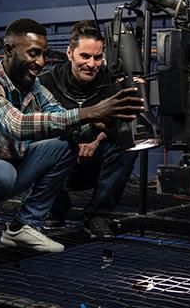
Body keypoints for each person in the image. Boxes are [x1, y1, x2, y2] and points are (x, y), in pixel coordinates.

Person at [0, 18, 144, 263]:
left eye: (43, 54)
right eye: (33, 53)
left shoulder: (34, 89)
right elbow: (17, 125)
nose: (41, 62)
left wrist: (96, 126)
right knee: (0, 172)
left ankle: (22, 226)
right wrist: (91, 112)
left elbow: (62, 120)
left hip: (6, 171)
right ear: (9, 50)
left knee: (62, 146)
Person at [39, 20, 138, 239]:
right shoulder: (47, 83)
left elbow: (121, 123)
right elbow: (37, 126)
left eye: (97, 57)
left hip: (94, 158)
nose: (92, 64)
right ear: (69, 53)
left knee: (130, 145)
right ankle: (54, 210)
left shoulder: (111, 83)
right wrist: (74, 142)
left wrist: (97, 140)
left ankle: (97, 215)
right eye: (85, 56)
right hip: (59, 161)